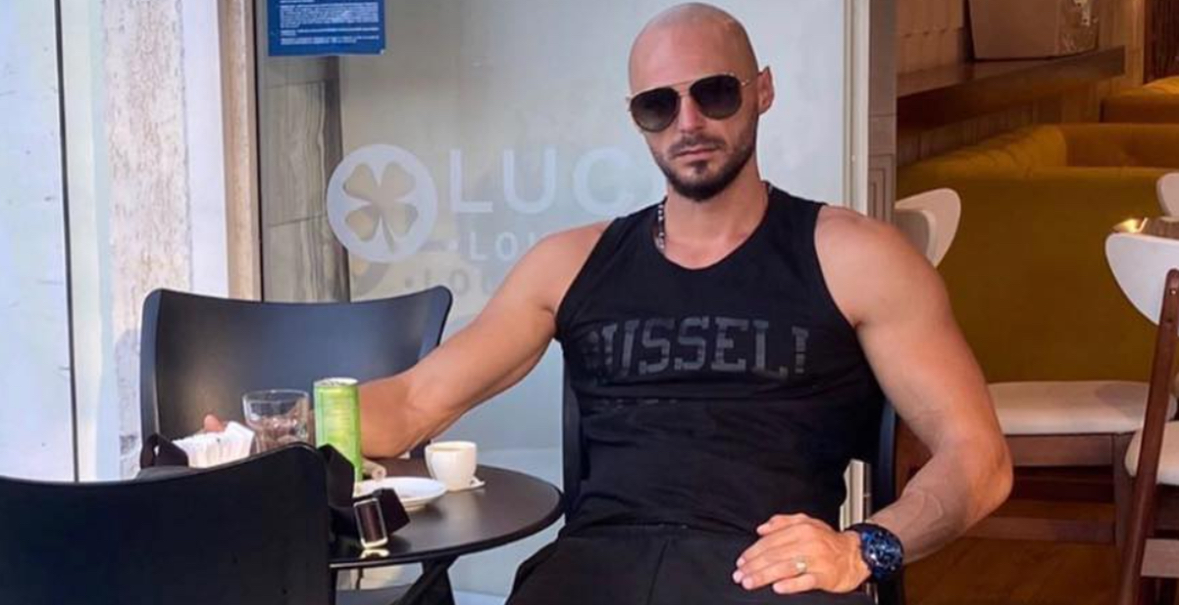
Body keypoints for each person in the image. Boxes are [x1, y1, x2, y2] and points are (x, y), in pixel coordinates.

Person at [239, 3, 1012, 603]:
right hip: (594, 569)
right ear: (636, 116)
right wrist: (269, 432)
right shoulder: (570, 263)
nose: (688, 122)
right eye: (657, 104)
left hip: (763, 571)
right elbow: (413, 403)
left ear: (762, 91)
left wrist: (861, 546)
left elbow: (976, 456)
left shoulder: (855, 257)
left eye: (714, 92)